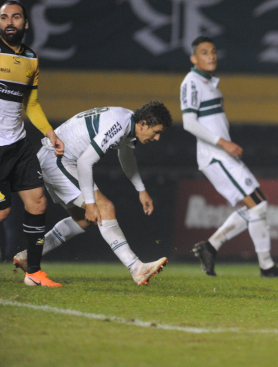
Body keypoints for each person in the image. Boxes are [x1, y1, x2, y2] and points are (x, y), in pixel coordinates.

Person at [13, 102, 173, 286]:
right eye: (156, 131)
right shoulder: (119, 125)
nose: (157, 138)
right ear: (143, 123)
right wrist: (90, 203)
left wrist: (141, 190)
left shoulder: (128, 121)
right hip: (59, 159)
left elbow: (126, 155)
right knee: (104, 207)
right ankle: (136, 267)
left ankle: (29, 257)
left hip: (57, 158)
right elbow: (84, 163)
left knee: (84, 220)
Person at [182, 36, 278, 279]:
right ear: (193, 58)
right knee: (258, 205)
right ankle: (265, 266)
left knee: (258, 204)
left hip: (222, 155)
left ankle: (211, 246)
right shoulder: (191, 83)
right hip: (215, 156)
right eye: (204, 53)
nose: (211, 56)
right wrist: (223, 143)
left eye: (213, 51)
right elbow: (189, 122)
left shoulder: (209, 82)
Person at [0, 1, 65, 287]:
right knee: (3, 211)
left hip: (19, 144)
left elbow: (32, 103)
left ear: (26, 23)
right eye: (3, 18)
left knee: (37, 202)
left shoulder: (31, 58)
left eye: (15, 17)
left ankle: (34, 273)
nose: (9, 22)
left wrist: (50, 132)